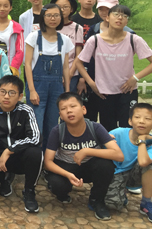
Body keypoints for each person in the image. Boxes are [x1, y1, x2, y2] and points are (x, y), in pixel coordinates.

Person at [45, 92, 122, 220]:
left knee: (106, 166)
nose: (69, 111)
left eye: (73, 106)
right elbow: (48, 162)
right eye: (64, 109)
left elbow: (118, 155)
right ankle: (62, 194)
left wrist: (87, 151)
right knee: (57, 184)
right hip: (67, 167)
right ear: (61, 115)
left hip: (89, 166)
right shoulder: (57, 131)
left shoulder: (95, 127)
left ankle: (97, 200)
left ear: (83, 109)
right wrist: (67, 175)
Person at [76, 4, 152, 131]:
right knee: (108, 129)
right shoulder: (95, 40)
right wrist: (91, 83)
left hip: (127, 90)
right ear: (107, 18)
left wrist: (135, 78)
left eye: (124, 16)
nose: (120, 18)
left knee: (128, 127)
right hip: (104, 92)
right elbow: (79, 62)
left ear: (127, 21)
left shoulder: (133, 39)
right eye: (116, 14)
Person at [0, 76, 43, 213]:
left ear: (20, 96)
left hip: (19, 154)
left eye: (12, 93)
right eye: (3, 92)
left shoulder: (26, 111)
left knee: (36, 153)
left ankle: (29, 191)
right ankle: (4, 178)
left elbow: (35, 137)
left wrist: (10, 150)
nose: (6, 96)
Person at [24, 3, 72, 146]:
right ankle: (36, 156)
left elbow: (66, 68)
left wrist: (67, 92)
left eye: (56, 15)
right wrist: (32, 90)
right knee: (36, 125)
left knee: (52, 125)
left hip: (57, 87)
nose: (53, 18)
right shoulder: (33, 37)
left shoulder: (65, 40)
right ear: (43, 17)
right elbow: (27, 65)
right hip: (37, 86)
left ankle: (49, 156)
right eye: (49, 15)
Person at [104, 103, 152, 222]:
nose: (142, 121)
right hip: (116, 173)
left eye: (147, 119)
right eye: (137, 117)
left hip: (135, 175)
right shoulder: (118, 133)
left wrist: (142, 140)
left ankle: (146, 203)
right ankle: (121, 192)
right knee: (113, 204)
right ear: (130, 121)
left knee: (150, 163)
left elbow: (143, 162)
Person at [50, 0, 83, 92]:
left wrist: (69, 74)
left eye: (65, 7)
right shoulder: (49, 27)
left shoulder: (77, 28)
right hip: (51, 73)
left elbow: (78, 55)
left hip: (71, 72)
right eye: (59, 7)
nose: (62, 10)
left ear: (71, 9)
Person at [0, 0, 24, 76]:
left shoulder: (16, 27)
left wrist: (12, 69)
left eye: (5, 6)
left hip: (11, 70)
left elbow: (20, 51)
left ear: (10, 8)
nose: (2, 9)